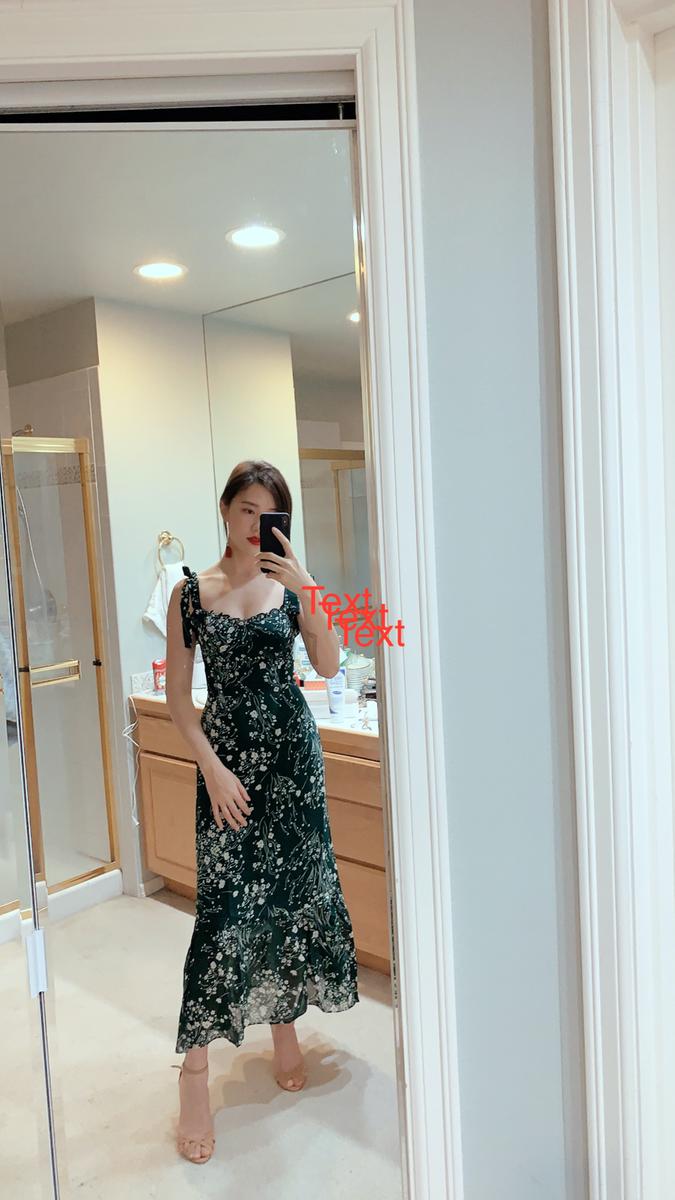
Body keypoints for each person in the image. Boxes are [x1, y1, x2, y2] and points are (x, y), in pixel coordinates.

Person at [165, 459, 359, 1164]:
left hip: (292, 768)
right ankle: (193, 1074)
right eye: (246, 509)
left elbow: (330, 664)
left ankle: (283, 1029)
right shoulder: (192, 593)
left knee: (290, 899)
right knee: (222, 914)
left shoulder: (290, 585)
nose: (255, 524)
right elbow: (179, 700)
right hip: (227, 774)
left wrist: (308, 588)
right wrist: (211, 769)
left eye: (267, 512)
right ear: (225, 510)